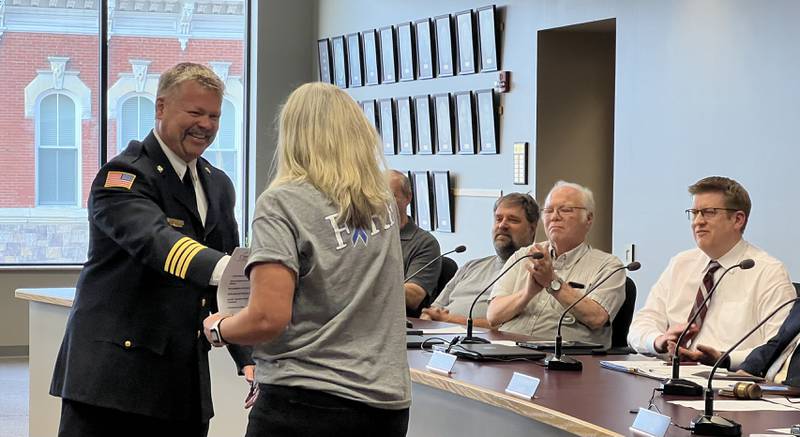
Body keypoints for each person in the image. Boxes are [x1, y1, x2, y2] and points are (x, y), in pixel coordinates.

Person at [49, 63, 253, 437]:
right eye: (194, 113)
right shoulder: (123, 176)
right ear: (160, 108)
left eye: (214, 115)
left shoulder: (218, 184)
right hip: (112, 381)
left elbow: (226, 282)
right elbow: (157, 243)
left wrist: (247, 355)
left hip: (181, 379)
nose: (205, 125)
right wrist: (250, 271)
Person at [202, 82, 411, 436]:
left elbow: (268, 317)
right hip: (384, 405)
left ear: (294, 135)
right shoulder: (381, 202)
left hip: (305, 400)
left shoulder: (283, 202)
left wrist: (219, 328)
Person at [627, 176, 795, 369]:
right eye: (694, 213)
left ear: (738, 219)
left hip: (727, 382)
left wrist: (724, 358)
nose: (697, 222)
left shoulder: (768, 272)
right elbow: (640, 325)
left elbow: (780, 348)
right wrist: (659, 341)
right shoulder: (681, 263)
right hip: (667, 375)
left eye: (708, 213)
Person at [486, 181, 626, 349]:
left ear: (588, 218)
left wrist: (552, 282)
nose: (554, 217)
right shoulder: (524, 255)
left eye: (565, 210)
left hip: (566, 361)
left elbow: (596, 318)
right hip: (508, 352)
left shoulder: (609, 266)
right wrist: (527, 294)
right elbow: (493, 316)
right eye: (548, 210)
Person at [421, 192, 539, 327]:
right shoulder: (471, 266)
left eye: (512, 220)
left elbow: (510, 327)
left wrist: (449, 321)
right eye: (498, 219)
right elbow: (432, 310)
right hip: (437, 340)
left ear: (532, 229)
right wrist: (428, 319)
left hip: (483, 344)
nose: (502, 225)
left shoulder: (533, 273)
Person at [388, 169, 442, 316]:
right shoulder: (363, 237)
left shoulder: (424, 243)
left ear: (408, 198)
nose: (382, 202)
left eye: (390, 196)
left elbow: (414, 296)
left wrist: (369, 284)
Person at [738, 302, 800, 387]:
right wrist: (748, 368)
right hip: (766, 386)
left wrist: (772, 387)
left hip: (789, 392)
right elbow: (777, 342)